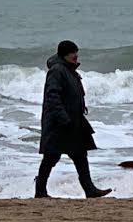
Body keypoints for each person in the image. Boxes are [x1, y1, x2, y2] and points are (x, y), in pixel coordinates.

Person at [35, 40, 112, 198]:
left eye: (76, 52)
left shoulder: (68, 70)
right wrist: (64, 119)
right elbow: (53, 96)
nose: (76, 55)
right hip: (59, 123)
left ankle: (89, 189)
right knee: (51, 156)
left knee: (79, 154)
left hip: (72, 120)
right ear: (65, 55)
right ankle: (40, 191)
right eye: (73, 53)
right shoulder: (57, 71)